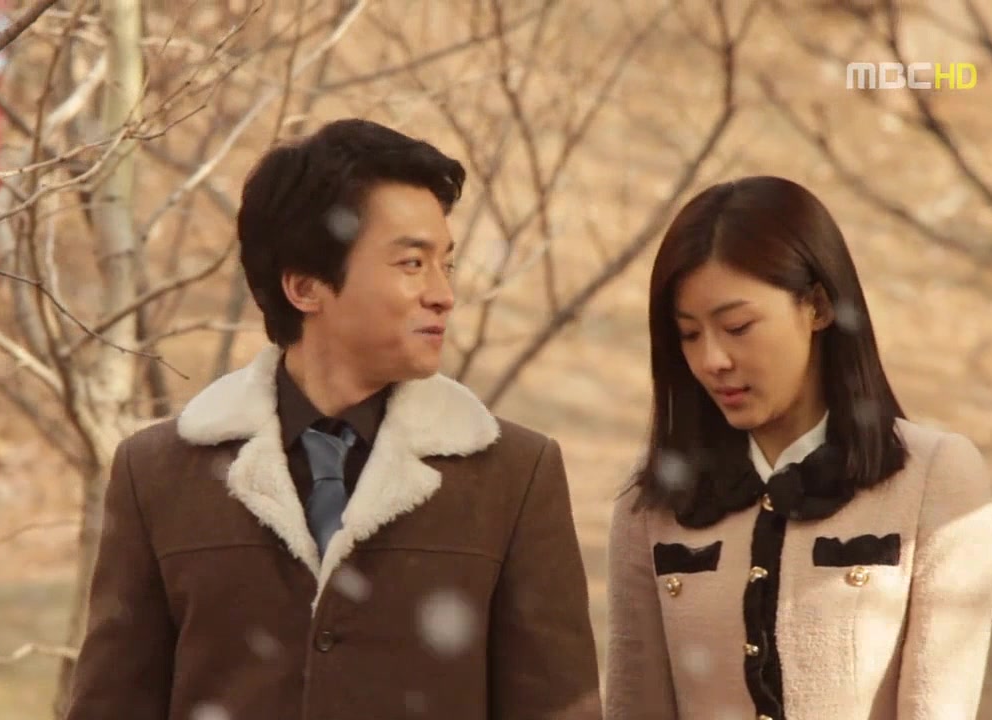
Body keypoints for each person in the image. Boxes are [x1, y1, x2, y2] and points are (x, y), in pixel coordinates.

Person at [64, 118, 601, 720]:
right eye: (412, 263)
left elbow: (557, 706)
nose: (443, 294)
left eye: (444, 264)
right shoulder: (160, 474)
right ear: (305, 287)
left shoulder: (512, 477)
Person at [604, 175, 992, 720]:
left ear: (817, 306)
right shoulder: (650, 504)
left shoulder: (935, 477)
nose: (712, 359)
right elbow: (634, 705)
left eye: (737, 326)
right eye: (689, 334)